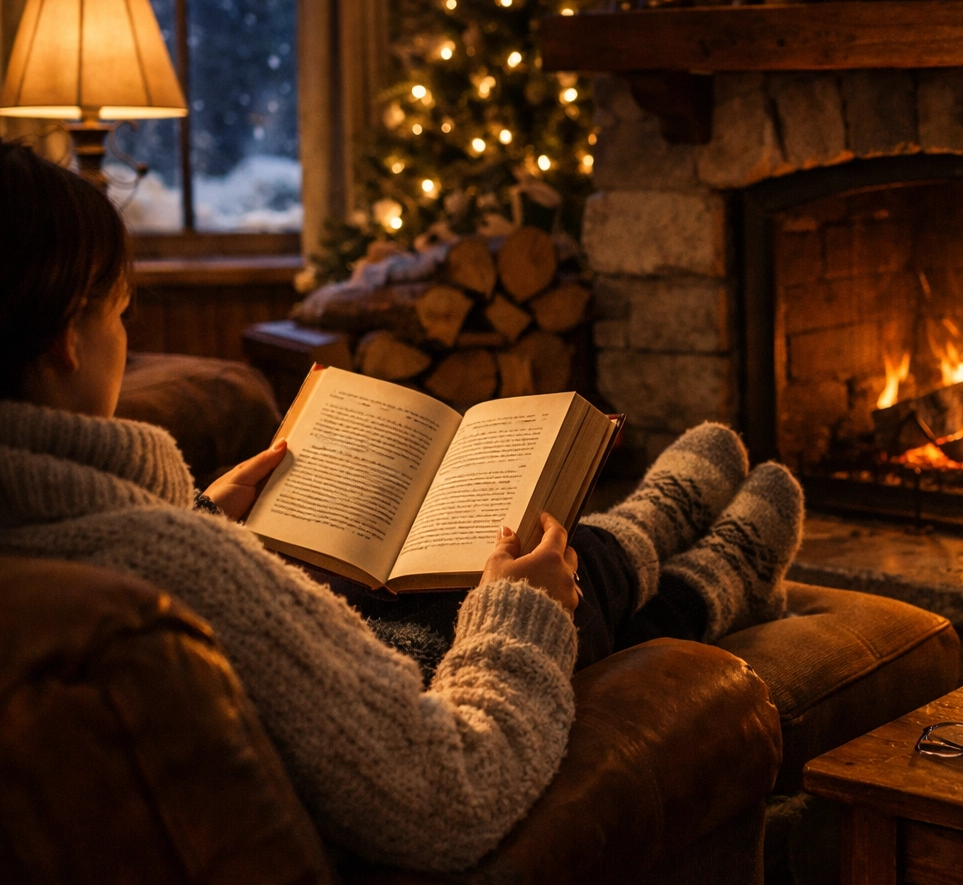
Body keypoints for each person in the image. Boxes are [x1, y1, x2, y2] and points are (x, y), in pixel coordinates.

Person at [0, 141, 804, 872]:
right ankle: (698, 564)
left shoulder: (70, 534)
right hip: (410, 728)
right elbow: (450, 793)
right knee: (526, 585)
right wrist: (520, 609)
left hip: (322, 703)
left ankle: (675, 548)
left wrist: (205, 514)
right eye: (120, 315)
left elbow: (142, 576)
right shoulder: (176, 570)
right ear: (68, 338)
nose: (125, 341)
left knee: (465, 574)